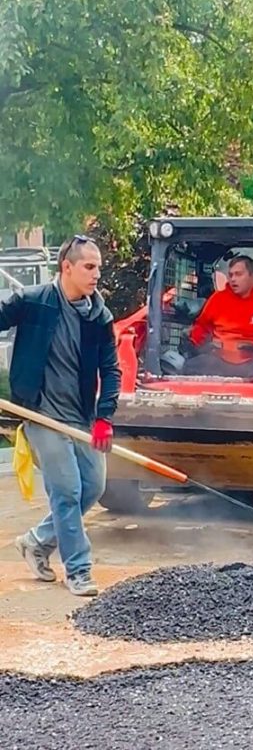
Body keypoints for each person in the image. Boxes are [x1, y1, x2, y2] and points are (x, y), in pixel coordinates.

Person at [0, 235, 121, 596]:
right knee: (67, 490)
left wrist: (104, 417)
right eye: (89, 266)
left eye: (99, 267)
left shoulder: (99, 317)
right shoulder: (33, 301)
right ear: (66, 267)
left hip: (81, 417)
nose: (97, 274)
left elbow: (110, 370)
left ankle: (37, 541)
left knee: (93, 487)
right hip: (41, 414)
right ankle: (79, 570)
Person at [182, 255, 253, 378]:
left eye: (238, 274)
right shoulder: (217, 299)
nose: (233, 279)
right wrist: (192, 343)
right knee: (190, 366)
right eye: (230, 275)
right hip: (218, 359)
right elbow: (202, 327)